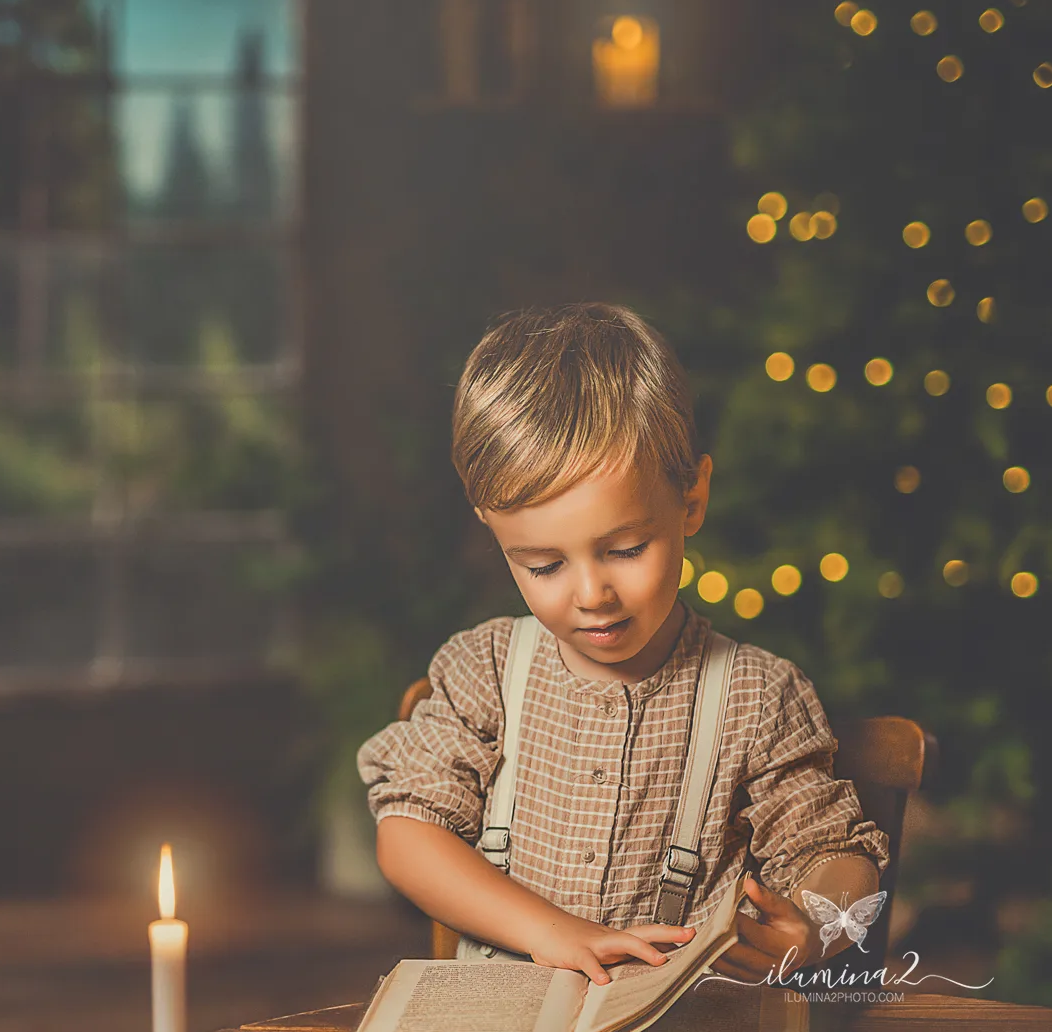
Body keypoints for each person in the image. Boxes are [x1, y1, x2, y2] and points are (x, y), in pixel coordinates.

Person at [359, 303, 889, 985]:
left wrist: (814, 926)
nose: (591, 593)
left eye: (626, 548)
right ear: (492, 527)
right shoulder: (484, 671)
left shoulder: (757, 696)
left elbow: (833, 850)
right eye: (544, 565)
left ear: (692, 499)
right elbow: (407, 836)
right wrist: (548, 931)